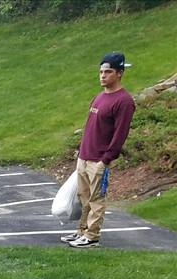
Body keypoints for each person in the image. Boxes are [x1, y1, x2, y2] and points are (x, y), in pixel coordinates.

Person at [61, 51, 136, 248]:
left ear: (119, 73)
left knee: (96, 199)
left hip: (99, 159)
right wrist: (80, 150)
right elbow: (90, 126)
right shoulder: (99, 97)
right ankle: (81, 231)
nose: (103, 75)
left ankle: (92, 236)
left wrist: (106, 159)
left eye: (108, 71)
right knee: (83, 198)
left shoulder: (124, 101)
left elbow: (120, 134)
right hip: (85, 156)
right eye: (101, 71)